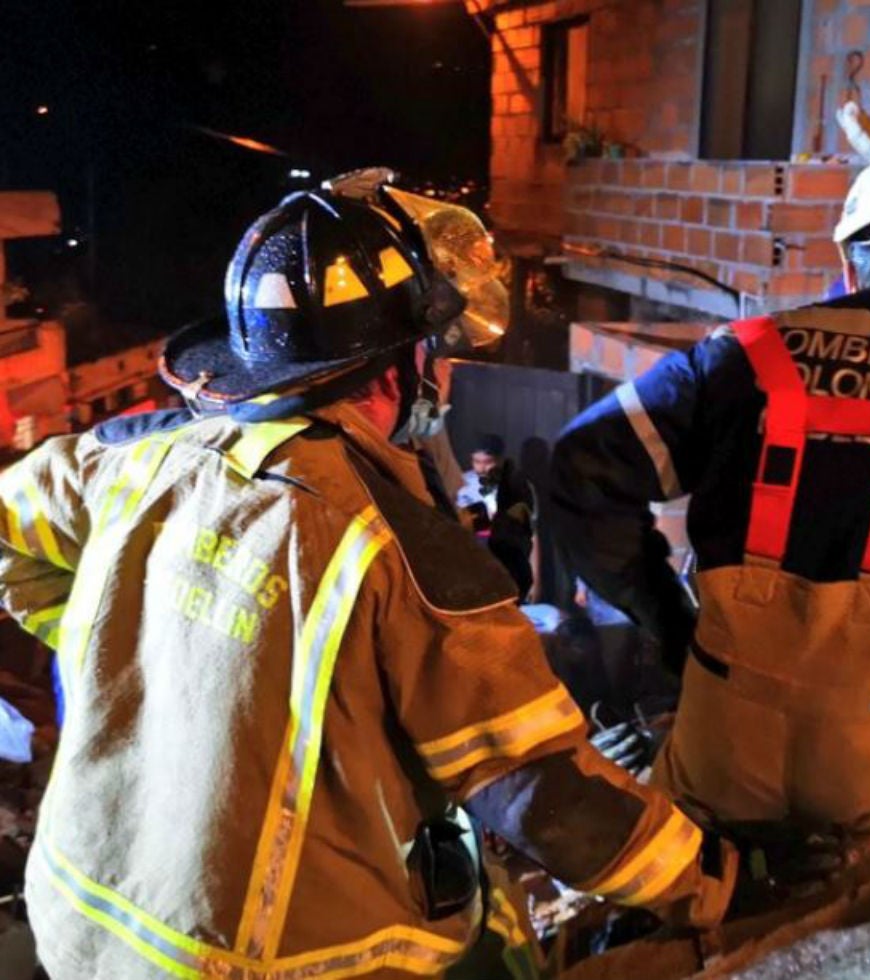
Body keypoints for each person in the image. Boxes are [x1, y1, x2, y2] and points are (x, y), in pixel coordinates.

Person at [0, 175, 735, 979]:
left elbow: (11, 532)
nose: (442, 379)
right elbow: (541, 794)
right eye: (436, 356)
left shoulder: (130, 460)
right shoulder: (405, 549)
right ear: (395, 370)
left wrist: (123, 645)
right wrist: (717, 880)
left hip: (78, 926)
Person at [550, 152, 870, 827]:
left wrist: (672, 624)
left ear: (850, 265)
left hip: (723, 740)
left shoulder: (742, 352)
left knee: (678, 854)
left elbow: (582, 465)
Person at [457, 434, 540, 601]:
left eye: (487, 462)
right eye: (476, 461)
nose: (481, 468)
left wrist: (536, 581)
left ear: (500, 460)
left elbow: (532, 537)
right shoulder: (461, 484)